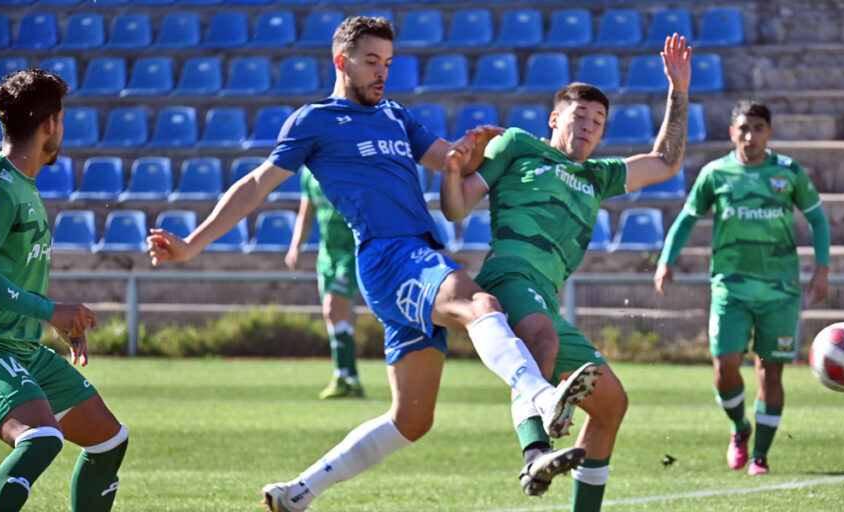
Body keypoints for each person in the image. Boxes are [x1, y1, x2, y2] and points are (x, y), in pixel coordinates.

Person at [145, 17, 597, 512]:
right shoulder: (314, 120)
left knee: (412, 419)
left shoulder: (395, 115)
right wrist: (190, 243)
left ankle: (298, 492)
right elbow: (255, 185)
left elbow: (452, 160)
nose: (382, 73)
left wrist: (478, 147)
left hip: (414, 256)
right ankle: (541, 396)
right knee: (479, 302)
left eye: (388, 63)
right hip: (390, 254)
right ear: (342, 62)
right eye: (371, 62)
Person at [441, 35, 692, 510]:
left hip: (546, 298)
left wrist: (677, 90)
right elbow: (457, 208)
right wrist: (452, 171)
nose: (589, 127)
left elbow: (666, 162)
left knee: (611, 403)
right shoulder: (517, 146)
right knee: (542, 339)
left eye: (598, 122)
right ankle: (536, 452)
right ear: (555, 119)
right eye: (580, 116)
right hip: (510, 277)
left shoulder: (597, 176)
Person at [653, 101, 831, 476]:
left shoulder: (788, 172)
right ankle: (739, 428)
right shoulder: (716, 173)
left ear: (769, 132)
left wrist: (822, 269)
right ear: (732, 132)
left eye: (758, 129)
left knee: (771, 373)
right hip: (730, 290)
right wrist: (666, 259)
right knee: (726, 367)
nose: (750, 136)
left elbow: (817, 220)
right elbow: (687, 218)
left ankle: (761, 456)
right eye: (743, 129)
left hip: (780, 290)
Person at [0, 69, 127, 511]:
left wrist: (52, 320)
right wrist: (50, 310)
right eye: (62, 118)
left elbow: (11, 275)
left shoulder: (23, 186)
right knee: (41, 439)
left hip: (24, 347)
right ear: (50, 124)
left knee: (109, 441)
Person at [285, 166, 365, 399]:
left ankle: (343, 376)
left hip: (351, 251)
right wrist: (295, 246)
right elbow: (305, 213)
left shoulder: (345, 166)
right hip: (326, 255)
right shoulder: (308, 174)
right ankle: (350, 378)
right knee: (335, 315)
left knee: (333, 306)